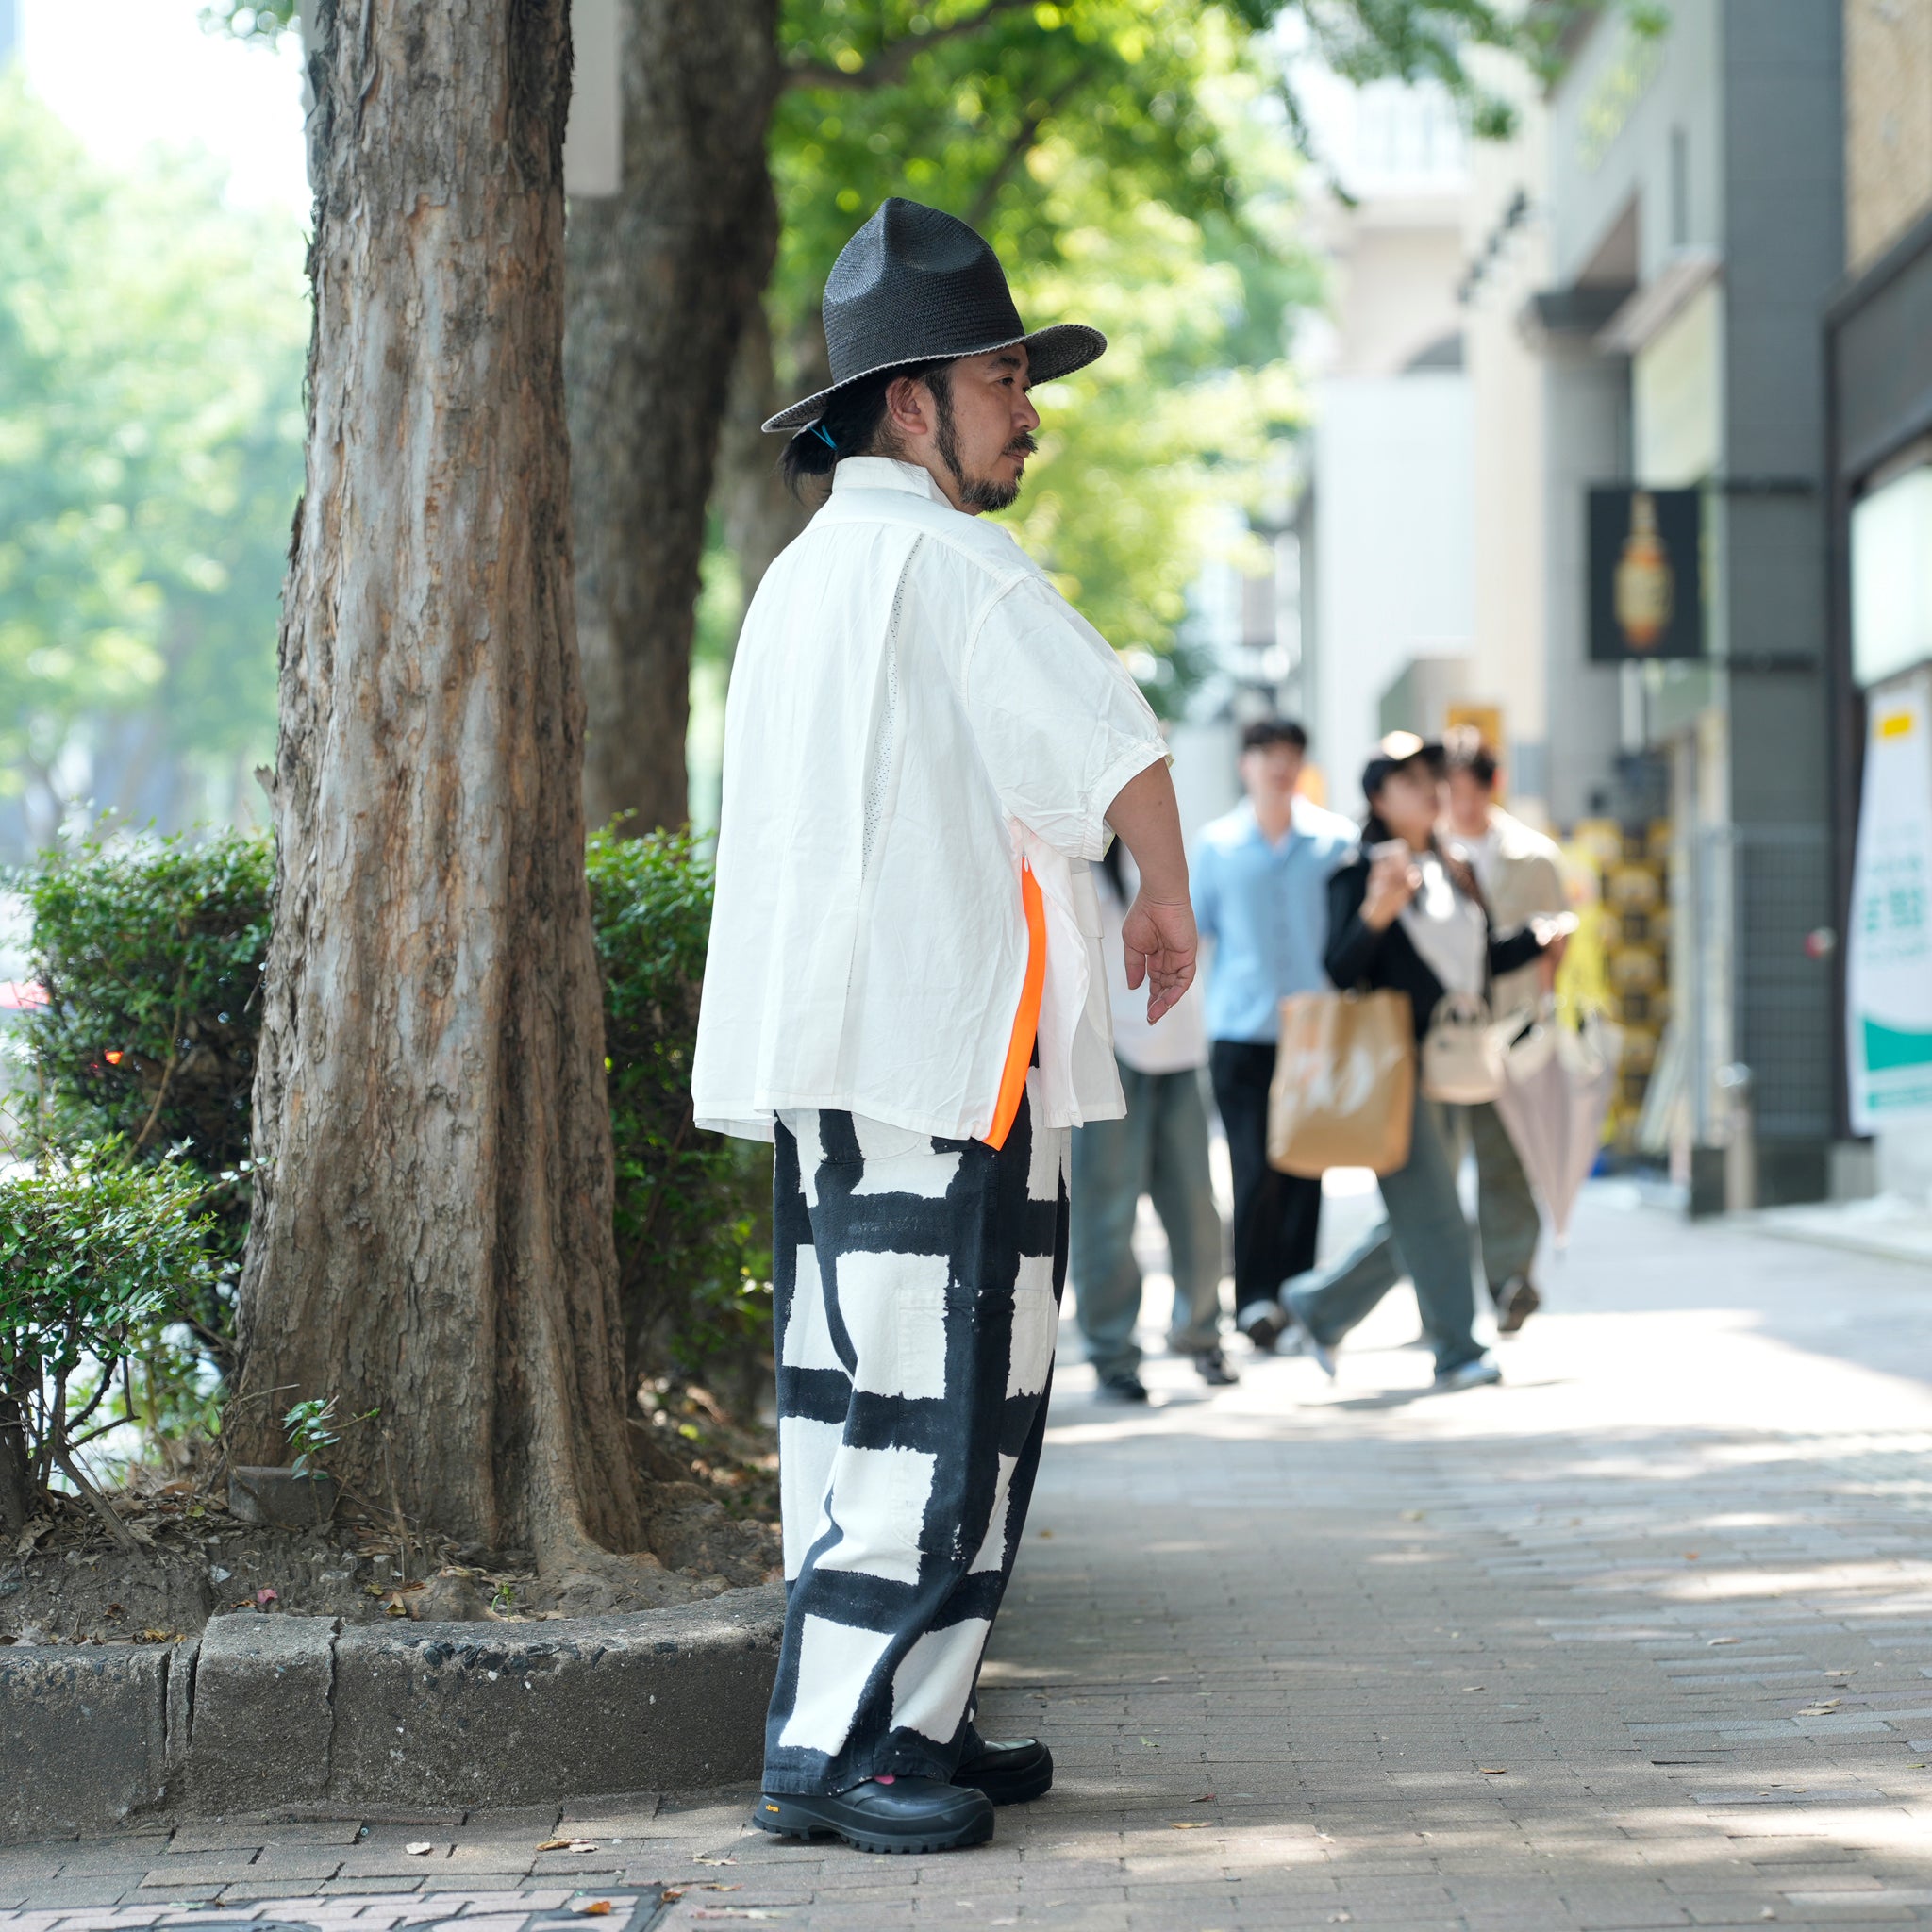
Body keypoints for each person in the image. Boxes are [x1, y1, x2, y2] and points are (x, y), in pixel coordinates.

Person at [691, 199, 1197, 1857]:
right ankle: (831, 1746)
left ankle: (908, 1712)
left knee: (860, 1405)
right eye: (1003, 376)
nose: (1028, 412)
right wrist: (1162, 900)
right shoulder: (951, 560)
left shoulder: (797, 584)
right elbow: (1117, 746)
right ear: (914, 399)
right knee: (952, 1403)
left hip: (829, 1066)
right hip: (948, 1062)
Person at [1254, 734, 1566, 1389]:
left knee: (1422, 1213)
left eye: (1434, 775)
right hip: (1395, 1062)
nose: (1431, 787)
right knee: (1439, 1214)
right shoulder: (1357, 867)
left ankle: (1317, 1304)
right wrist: (1378, 910)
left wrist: (1535, 941)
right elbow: (1340, 967)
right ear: (1378, 798)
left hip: (1458, 1057)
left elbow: (1475, 963)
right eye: (1411, 779)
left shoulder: (1456, 866)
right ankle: (1457, 1348)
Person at [1191, 720, 1357, 1351]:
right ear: (1246, 765)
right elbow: (1201, 931)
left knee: (1307, 1166)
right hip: (1241, 1029)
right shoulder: (1217, 845)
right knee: (1252, 1166)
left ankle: (1299, 1296)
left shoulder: (1335, 842)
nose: (1279, 768)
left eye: (1291, 756)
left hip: (1316, 1030)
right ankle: (1255, 1302)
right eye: (1267, 756)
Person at [1070, 842, 1233, 1402]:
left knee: (1196, 1207)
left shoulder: (1164, 836)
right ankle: (1112, 1353)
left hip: (1180, 1047)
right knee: (1107, 1213)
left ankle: (1201, 1331)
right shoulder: (1078, 840)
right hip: (1107, 1048)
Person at [1440, 728, 1569, 1335]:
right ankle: (1439, 1295)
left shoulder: (1534, 856)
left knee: (1509, 1161)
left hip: (1514, 1034)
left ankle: (1511, 1280)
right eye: (1452, 791)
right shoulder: (1426, 854)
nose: (1462, 804)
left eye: (1473, 790)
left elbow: (1552, 957)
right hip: (1444, 1037)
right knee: (1436, 1168)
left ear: (1494, 786)